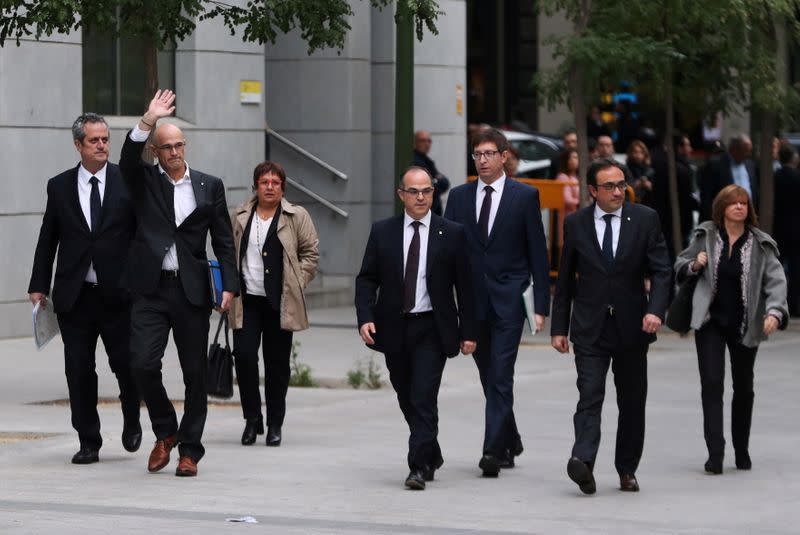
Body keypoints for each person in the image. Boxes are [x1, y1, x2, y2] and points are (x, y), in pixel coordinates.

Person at [119, 89, 238, 477]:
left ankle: (190, 450)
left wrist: (229, 286)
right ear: (156, 150)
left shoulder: (209, 186)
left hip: (191, 291)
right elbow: (126, 159)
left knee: (194, 374)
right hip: (150, 290)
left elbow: (222, 239)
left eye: (178, 145)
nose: (173, 152)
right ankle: (166, 431)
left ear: (185, 147)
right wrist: (148, 119)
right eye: (165, 147)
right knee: (141, 364)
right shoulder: (144, 182)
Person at [551, 158, 672, 494]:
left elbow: (662, 270)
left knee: (632, 402)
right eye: (610, 186)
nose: (619, 191)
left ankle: (626, 468)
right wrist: (559, 327)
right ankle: (583, 462)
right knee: (589, 395)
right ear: (593, 190)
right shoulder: (576, 224)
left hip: (634, 327)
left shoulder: (645, 220)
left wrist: (656, 310)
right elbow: (565, 280)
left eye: (622, 184)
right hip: (590, 327)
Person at [28, 113, 141, 465]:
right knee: (78, 369)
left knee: (125, 364)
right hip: (75, 296)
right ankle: (88, 440)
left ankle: (132, 419)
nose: (102, 145)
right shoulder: (59, 186)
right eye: (94, 140)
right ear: (78, 145)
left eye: (105, 139)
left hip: (118, 293)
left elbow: (140, 233)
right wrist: (38, 285)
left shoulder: (127, 180)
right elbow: (49, 237)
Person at [355, 166, 477, 490]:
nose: (421, 197)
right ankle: (431, 449)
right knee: (406, 394)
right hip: (394, 327)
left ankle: (418, 466)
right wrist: (365, 316)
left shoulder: (451, 233)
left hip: (432, 329)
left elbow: (466, 286)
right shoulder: (383, 232)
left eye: (426, 191)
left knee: (424, 396)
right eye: (414, 191)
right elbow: (367, 278)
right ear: (401, 195)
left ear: (433, 194)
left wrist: (469, 332)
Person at [444, 128, 550, 477]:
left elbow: (537, 252)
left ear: (504, 156)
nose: (483, 160)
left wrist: (541, 307)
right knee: (489, 375)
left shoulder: (524, 196)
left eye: (489, 153)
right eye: (477, 154)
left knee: (502, 374)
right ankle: (511, 439)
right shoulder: (459, 198)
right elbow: (450, 254)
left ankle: (492, 451)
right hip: (473, 303)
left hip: (509, 300)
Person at [675, 185, 788, 474]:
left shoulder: (761, 243)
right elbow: (680, 262)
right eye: (733, 202)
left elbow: (776, 281)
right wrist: (694, 264)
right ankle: (715, 453)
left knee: (744, 388)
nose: (739, 207)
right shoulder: (706, 236)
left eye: (744, 203)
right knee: (711, 386)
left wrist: (774, 312)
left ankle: (741, 449)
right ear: (721, 207)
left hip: (745, 324)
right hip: (710, 322)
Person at [230, 161, 319, 447]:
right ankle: (252, 419)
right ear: (255, 186)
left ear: (283, 187)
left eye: (275, 182)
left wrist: (297, 282)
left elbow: (310, 254)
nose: (270, 187)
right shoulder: (242, 215)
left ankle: (275, 423)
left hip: (281, 302)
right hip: (247, 301)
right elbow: (229, 253)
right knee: (244, 358)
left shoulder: (296, 216)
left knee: (277, 364)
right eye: (264, 182)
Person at [650, 134, 698, 258]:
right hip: (675, 220)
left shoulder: (669, 164)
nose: (690, 149)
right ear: (679, 147)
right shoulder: (677, 168)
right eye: (687, 145)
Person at [699, 134, 757, 222]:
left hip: (746, 219)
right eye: (745, 151)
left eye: (749, 151)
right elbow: (706, 197)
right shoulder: (715, 165)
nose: (748, 154)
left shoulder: (750, 166)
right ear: (734, 150)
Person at [774, 145, 800, 317]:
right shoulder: (797, 178)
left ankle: (775, 302)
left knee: (775, 268)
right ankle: (793, 305)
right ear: (792, 158)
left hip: (777, 228)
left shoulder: (772, 177)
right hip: (796, 230)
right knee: (796, 270)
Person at [412, 130, 451, 215]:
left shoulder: (428, 161)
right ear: (415, 143)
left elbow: (444, 183)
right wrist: (435, 181)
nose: (426, 144)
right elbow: (431, 186)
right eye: (422, 141)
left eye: (429, 141)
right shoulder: (415, 161)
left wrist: (435, 180)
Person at [625, 139, 654, 205]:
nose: (638, 155)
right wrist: (638, 184)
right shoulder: (626, 169)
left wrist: (648, 185)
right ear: (630, 153)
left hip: (647, 203)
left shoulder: (649, 170)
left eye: (641, 152)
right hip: (631, 202)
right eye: (635, 152)